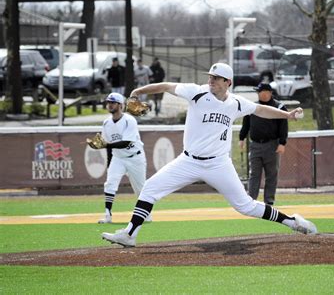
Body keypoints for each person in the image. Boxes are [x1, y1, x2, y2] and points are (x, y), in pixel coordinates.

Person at [101, 63, 317, 247]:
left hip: (219, 164)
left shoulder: (237, 103)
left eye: (217, 78)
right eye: (211, 77)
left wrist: (287, 115)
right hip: (188, 161)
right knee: (150, 188)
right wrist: (138, 91)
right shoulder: (197, 91)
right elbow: (166, 86)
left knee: (246, 206)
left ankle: (292, 221)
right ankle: (130, 234)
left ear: (228, 83)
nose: (211, 80)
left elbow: (261, 110)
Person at [97, 92, 149, 224]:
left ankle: (146, 215)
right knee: (110, 183)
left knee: (140, 189)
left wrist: (107, 145)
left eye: (112, 102)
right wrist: (109, 164)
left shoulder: (129, 120)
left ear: (120, 105)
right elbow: (108, 146)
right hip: (118, 158)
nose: (109, 105)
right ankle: (108, 215)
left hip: (135, 158)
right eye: (108, 102)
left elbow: (126, 142)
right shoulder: (106, 123)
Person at [239, 82, 288, 206]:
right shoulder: (252, 107)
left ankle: (269, 201)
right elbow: (246, 124)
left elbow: (283, 126)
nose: (259, 94)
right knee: (254, 174)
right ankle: (251, 200)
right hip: (255, 145)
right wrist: (242, 137)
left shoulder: (279, 107)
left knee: (271, 174)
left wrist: (282, 143)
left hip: (272, 145)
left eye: (260, 91)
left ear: (268, 93)